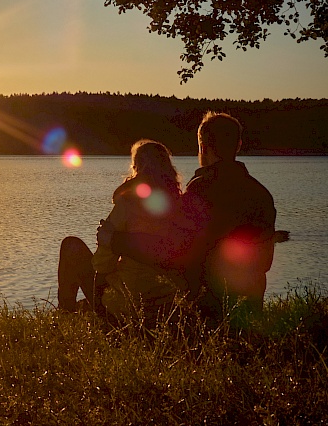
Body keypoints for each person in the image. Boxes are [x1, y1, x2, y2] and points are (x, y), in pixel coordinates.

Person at [102, 112, 277, 320]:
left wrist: (116, 240)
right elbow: (265, 261)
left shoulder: (201, 190)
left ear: (202, 147)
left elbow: (171, 252)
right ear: (238, 145)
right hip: (249, 310)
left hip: (208, 313)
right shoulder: (261, 194)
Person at [57, 139, 188, 316]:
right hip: (166, 300)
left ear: (137, 168)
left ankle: (65, 314)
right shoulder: (181, 206)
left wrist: (105, 238)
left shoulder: (128, 204)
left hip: (127, 302)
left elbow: (102, 265)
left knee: (70, 245)